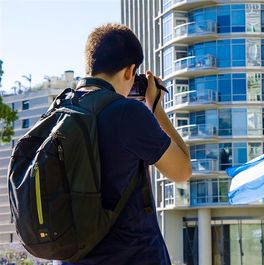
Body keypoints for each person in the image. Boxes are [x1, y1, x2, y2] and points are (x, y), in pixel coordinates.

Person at [57, 23, 192, 265]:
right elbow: (182, 170)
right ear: (130, 71)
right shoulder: (126, 113)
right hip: (131, 256)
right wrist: (156, 109)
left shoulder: (60, 111)